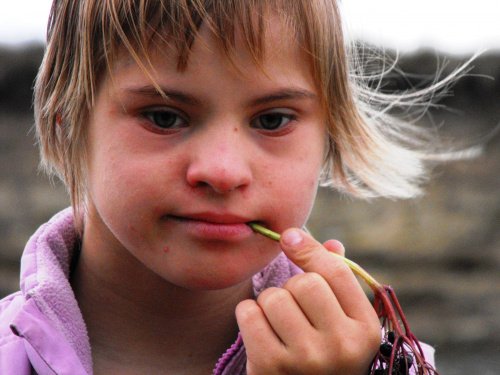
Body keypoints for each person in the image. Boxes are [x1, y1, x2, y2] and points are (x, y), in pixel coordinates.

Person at [0, 0, 448, 374]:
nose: (224, 171)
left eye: (272, 120)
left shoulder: (390, 366)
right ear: (66, 129)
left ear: (327, 139)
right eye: (164, 117)